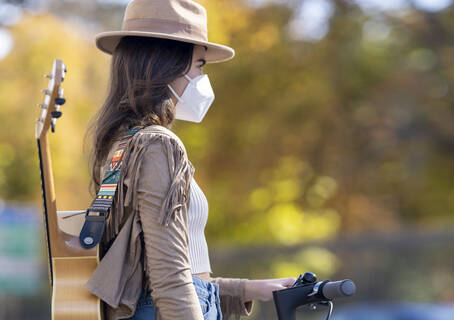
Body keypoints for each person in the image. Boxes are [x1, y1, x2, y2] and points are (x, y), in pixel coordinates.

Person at [83, 1, 296, 319]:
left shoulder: (121, 145)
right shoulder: (158, 145)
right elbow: (170, 281)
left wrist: (248, 289)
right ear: (164, 64)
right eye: (199, 65)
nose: (201, 77)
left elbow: (151, 273)